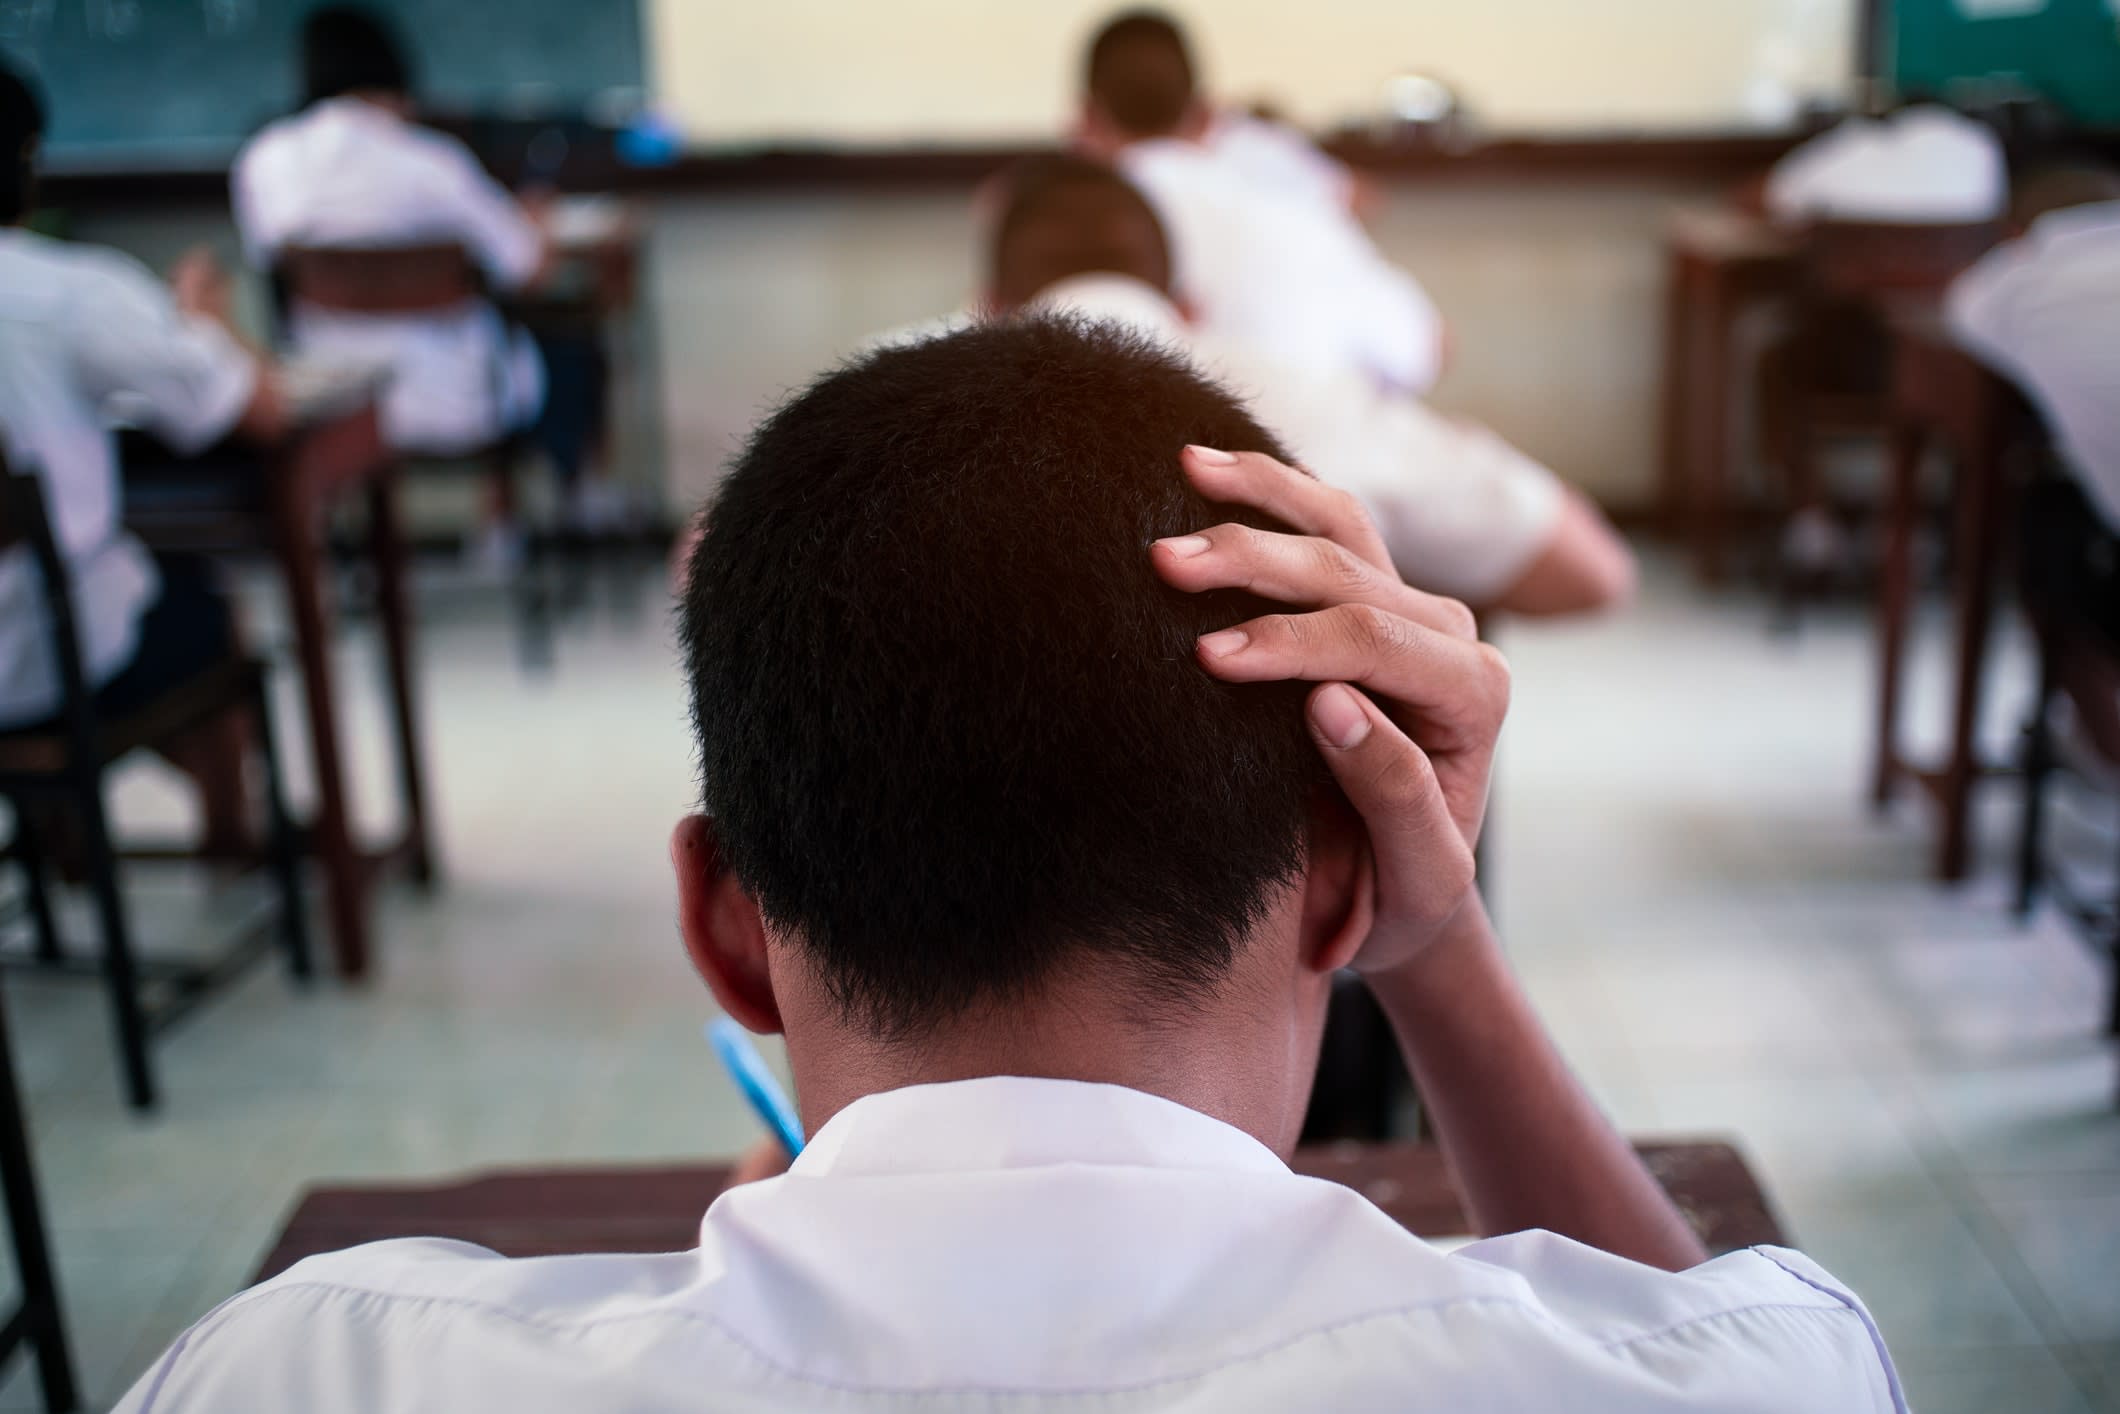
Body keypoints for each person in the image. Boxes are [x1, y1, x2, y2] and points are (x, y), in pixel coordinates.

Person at [121, 320, 1901, 1411]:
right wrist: (1440, 946)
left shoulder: (309, 1370)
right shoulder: (1748, 1375)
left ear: (728, 935)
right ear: (1354, 889)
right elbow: (1678, 1339)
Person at [984, 155, 1633, 616]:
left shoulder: (887, 387)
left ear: (985, 305)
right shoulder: (1299, 399)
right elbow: (1593, 573)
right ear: (1191, 305)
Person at [0, 61, 283, 853]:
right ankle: (235, 844)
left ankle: (60, 850)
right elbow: (255, 409)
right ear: (25, 164)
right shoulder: (67, 294)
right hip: (38, 669)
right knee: (201, 613)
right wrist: (201, 320)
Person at [231, 5, 611, 560]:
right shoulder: (431, 162)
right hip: (457, 401)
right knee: (570, 354)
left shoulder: (265, 161)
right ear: (398, 83)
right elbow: (529, 269)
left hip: (331, 399)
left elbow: (267, 264)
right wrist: (530, 223)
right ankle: (513, 528)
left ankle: (333, 556)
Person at [1075, 9, 1446, 396]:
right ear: (1205, 116)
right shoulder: (1290, 197)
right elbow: (1431, 346)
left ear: (1085, 119)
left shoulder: (1071, 224)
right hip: (1318, 439)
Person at [1947, 161, 2120, 760]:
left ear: (2013, 235)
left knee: (2035, 514)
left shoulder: (2019, 277)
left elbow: (1960, 329)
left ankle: (2100, 743)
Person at [1763, 97, 2006, 225]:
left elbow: (1775, 199)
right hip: (1950, 308)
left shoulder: (1852, 148)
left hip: (1843, 310)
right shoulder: (1979, 147)